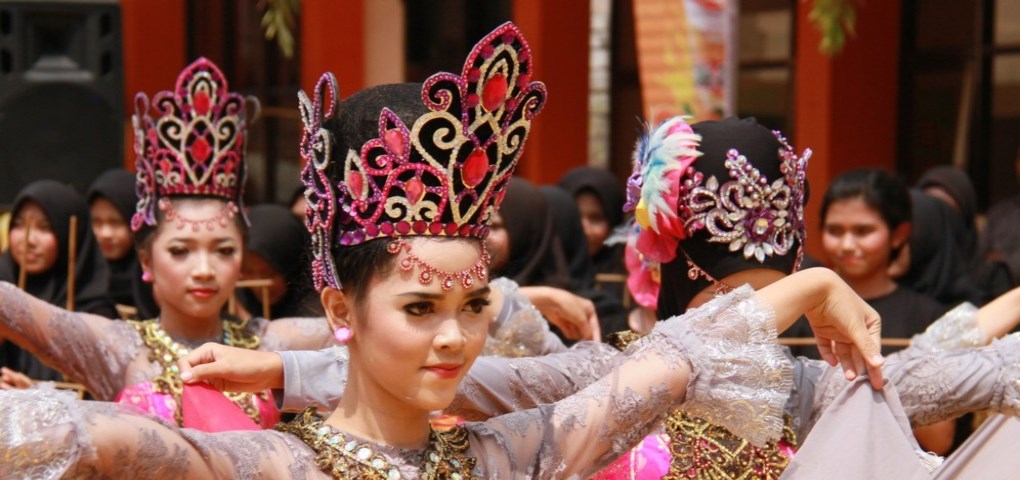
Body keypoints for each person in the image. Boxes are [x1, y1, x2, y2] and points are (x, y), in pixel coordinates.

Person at [0, 24, 888, 478]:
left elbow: (674, 363)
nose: (458, 338)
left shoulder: (514, 452)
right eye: (420, 308)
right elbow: (96, 437)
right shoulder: (273, 465)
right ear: (341, 310)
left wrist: (812, 282)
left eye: (473, 304)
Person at [0, 58, 331, 429]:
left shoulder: (269, 342)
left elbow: (370, 334)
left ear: (241, 258)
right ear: (145, 260)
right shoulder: (117, 346)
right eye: (180, 250)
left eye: (223, 250)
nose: (204, 270)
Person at [0, 180, 115, 388]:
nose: (29, 240)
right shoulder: (2, 291)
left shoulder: (96, 315)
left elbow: (109, 398)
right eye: (18, 224)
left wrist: (36, 395)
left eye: (45, 227)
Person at [821, 169, 947, 354]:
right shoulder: (805, 309)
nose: (847, 245)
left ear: (898, 235)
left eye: (863, 231)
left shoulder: (927, 317)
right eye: (834, 231)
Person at [917, 165, 1014, 301]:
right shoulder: (907, 272)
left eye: (947, 211)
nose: (938, 220)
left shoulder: (991, 277)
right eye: (930, 209)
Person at [87, 168, 159, 318]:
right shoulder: (82, 278)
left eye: (116, 223)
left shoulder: (155, 281)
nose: (105, 234)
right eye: (97, 222)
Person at [237, 203, 322, 319]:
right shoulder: (231, 306)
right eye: (248, 272)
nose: (259, 284)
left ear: (292, 265)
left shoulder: (321, 313)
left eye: (269, 273)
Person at [559, 166, 629, 302]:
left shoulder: (635, 283)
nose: (585, 230)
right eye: (575, 217)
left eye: (596, 218)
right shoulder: (545, 277)